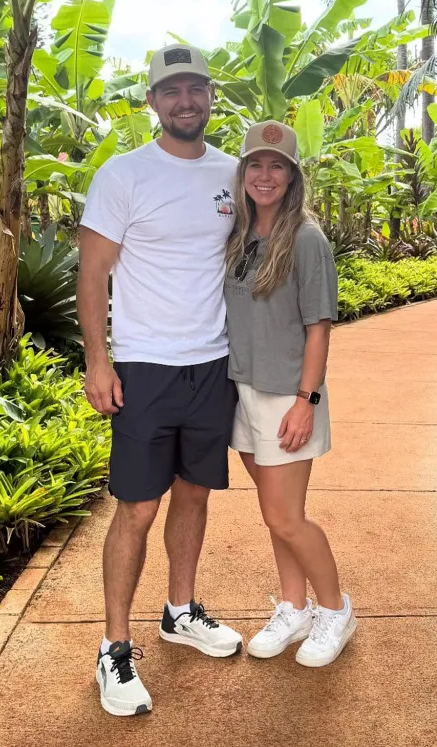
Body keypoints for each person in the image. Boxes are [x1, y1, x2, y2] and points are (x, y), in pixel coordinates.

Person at [77, 42, 243, 718]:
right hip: (145, 366)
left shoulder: (234, 173)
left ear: (210, 96)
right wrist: (98, 360)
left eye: (195, 88)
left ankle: (180, 610)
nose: (185, 101)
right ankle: (114, 647)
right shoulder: (123, 175)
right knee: (138, 508)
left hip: (213, 364)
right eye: (171, 90)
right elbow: (92, 274)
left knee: (194, 495)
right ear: (152, 101)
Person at [224, 120, 356, 667]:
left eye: (277, 166)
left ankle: (336, 610)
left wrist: (307, 401)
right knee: (275, 512)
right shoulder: (240, 234)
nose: (265, 175)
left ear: (293, 176)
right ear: (242, 172)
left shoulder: (306, 239)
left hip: (287, 397)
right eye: (256, 164)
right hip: (243, 388)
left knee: (285, 517)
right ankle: (294, 606)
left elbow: (318, 328)